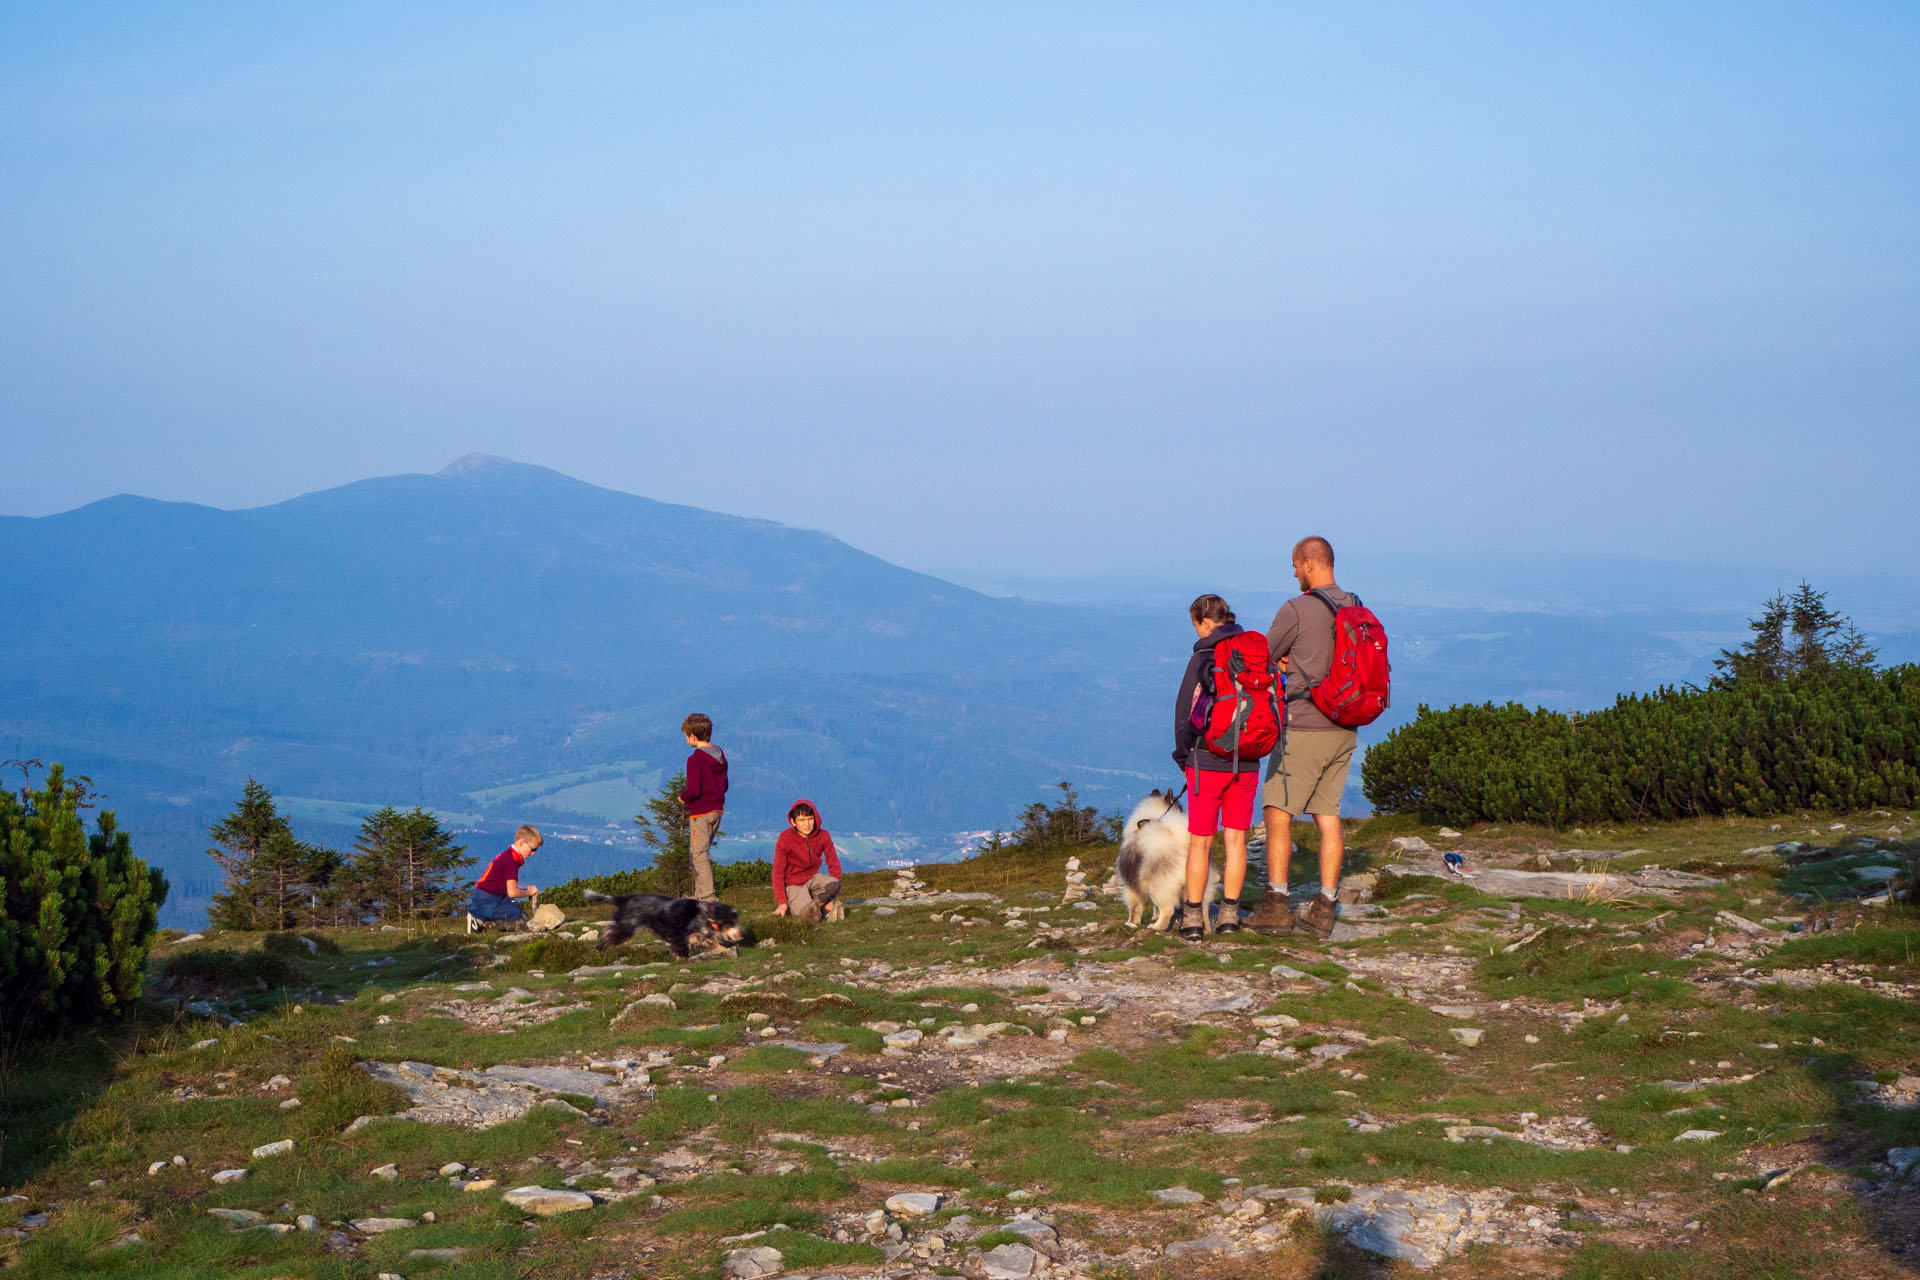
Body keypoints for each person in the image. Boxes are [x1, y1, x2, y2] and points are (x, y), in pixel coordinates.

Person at [1246, 536, 1359, 939]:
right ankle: (1325, 908)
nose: (1293, 572)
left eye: (1295, 565)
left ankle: (1276, 905)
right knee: (1328, 816)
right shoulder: (1355, 606)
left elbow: (1258, 657)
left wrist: (1287, 662)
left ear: (1309, 564)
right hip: (1345, 726)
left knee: (1277, 810)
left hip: (1305, 725)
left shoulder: (1296, 608)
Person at [1171, 594, 1264, 941]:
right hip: (1248, 760)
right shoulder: (1251, 653)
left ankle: (1193, 919)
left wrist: (1183, 756)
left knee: (1201, 843)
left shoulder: (1203, 658)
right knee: (1236, 839)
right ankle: (1228, 915)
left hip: (1207, 760)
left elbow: (1185, 714)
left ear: (1204, 622)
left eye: (1195, 624)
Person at [679, 713, 728, 902]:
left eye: (685, 736)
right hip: (717, 809)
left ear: (692, 736)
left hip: (701, 812)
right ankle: (700, 895)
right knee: (701, 852)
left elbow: (694, 790)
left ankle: (707, 898)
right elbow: (724, 785)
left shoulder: (695, 760)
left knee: (698, 855)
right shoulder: (720, 756)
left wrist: (683, 797)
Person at [772, 799, 843, 922]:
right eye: (802, 820)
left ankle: (819, 905)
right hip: (793, 883)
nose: (807, 824)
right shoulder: (785, 838)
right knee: (807, 917)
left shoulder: (823, 835)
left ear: (815, 819)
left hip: (812, 878)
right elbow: (777, 872)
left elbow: (834, 864)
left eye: (810, 819)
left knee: (834, 883)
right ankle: (811, 908)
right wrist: (782, 902)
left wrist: (832, 898)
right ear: (793, 822)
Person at [468, 824, 541, 931]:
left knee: (517, 910)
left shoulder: (509, 856)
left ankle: (480, 917)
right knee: (522, 923)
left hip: (487, 897)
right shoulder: (511, 861)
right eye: (532, 849)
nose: (533, 853)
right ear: (521, 843)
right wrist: (529, 892)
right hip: (488, 901)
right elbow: (512, 892)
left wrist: (525, 890)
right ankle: (479, 921)